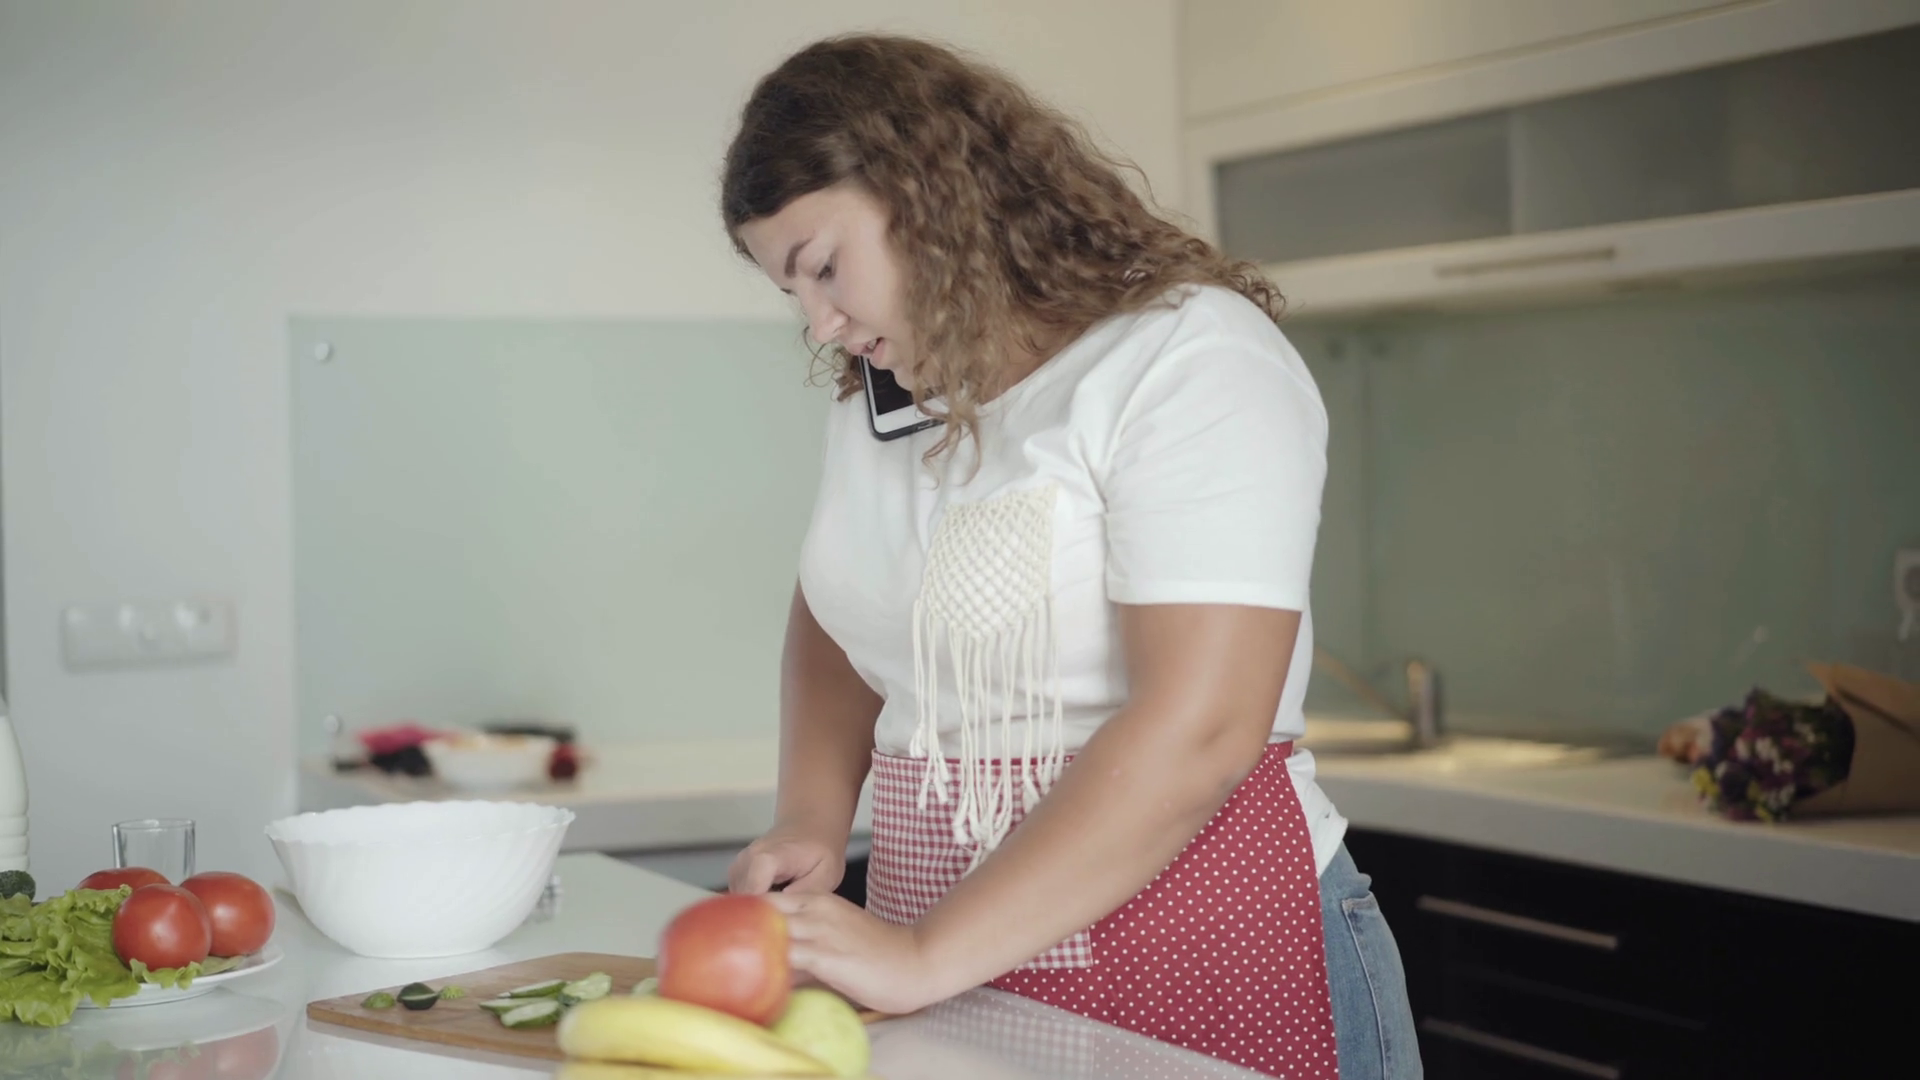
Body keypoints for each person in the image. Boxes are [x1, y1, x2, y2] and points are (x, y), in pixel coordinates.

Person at [720, 34, 1420, 1080]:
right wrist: (813, 820)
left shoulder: (1187, 355)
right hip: (946, 965)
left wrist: (922, 954)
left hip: (1199, 945)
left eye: (824, 267)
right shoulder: (886, 405)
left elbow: (1203, 728)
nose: (821, 322)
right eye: (793, 291)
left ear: (931, 190)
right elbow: (840, 604)